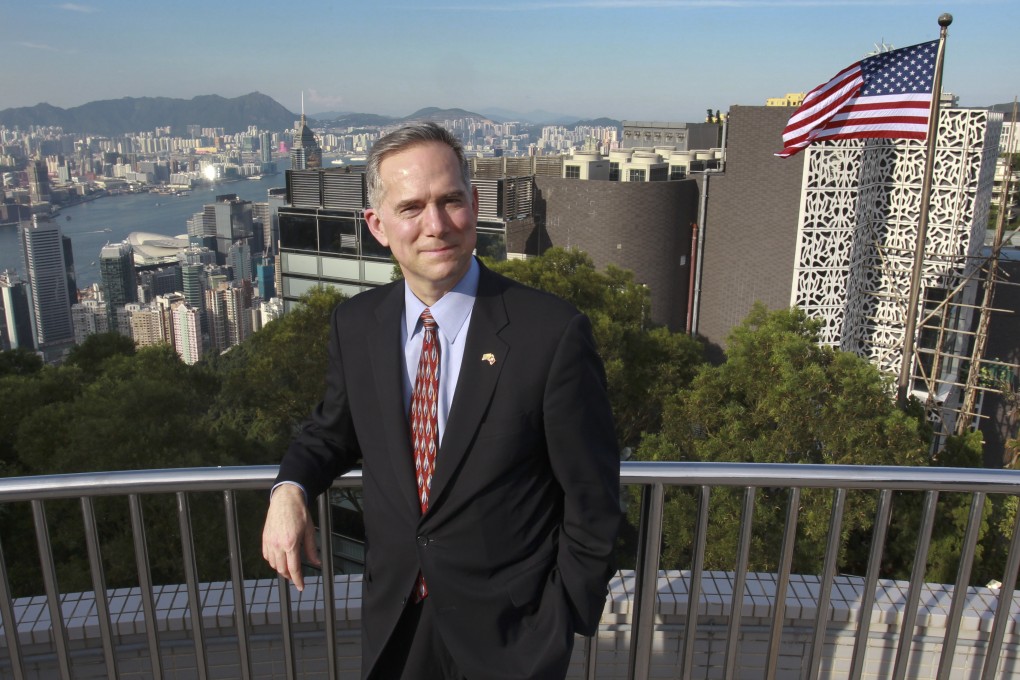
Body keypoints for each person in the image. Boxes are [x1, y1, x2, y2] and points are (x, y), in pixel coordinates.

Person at [262, 122, 621, 680]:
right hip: (398, 626)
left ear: (475, 205)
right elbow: (333, 431)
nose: (436, 225)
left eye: (450, 200)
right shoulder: (356, 325)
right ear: (378, 226)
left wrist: (563, 618)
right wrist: (289, 489)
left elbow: (593, 495)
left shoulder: (550, 333)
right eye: (411, 208)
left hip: (513, 637)